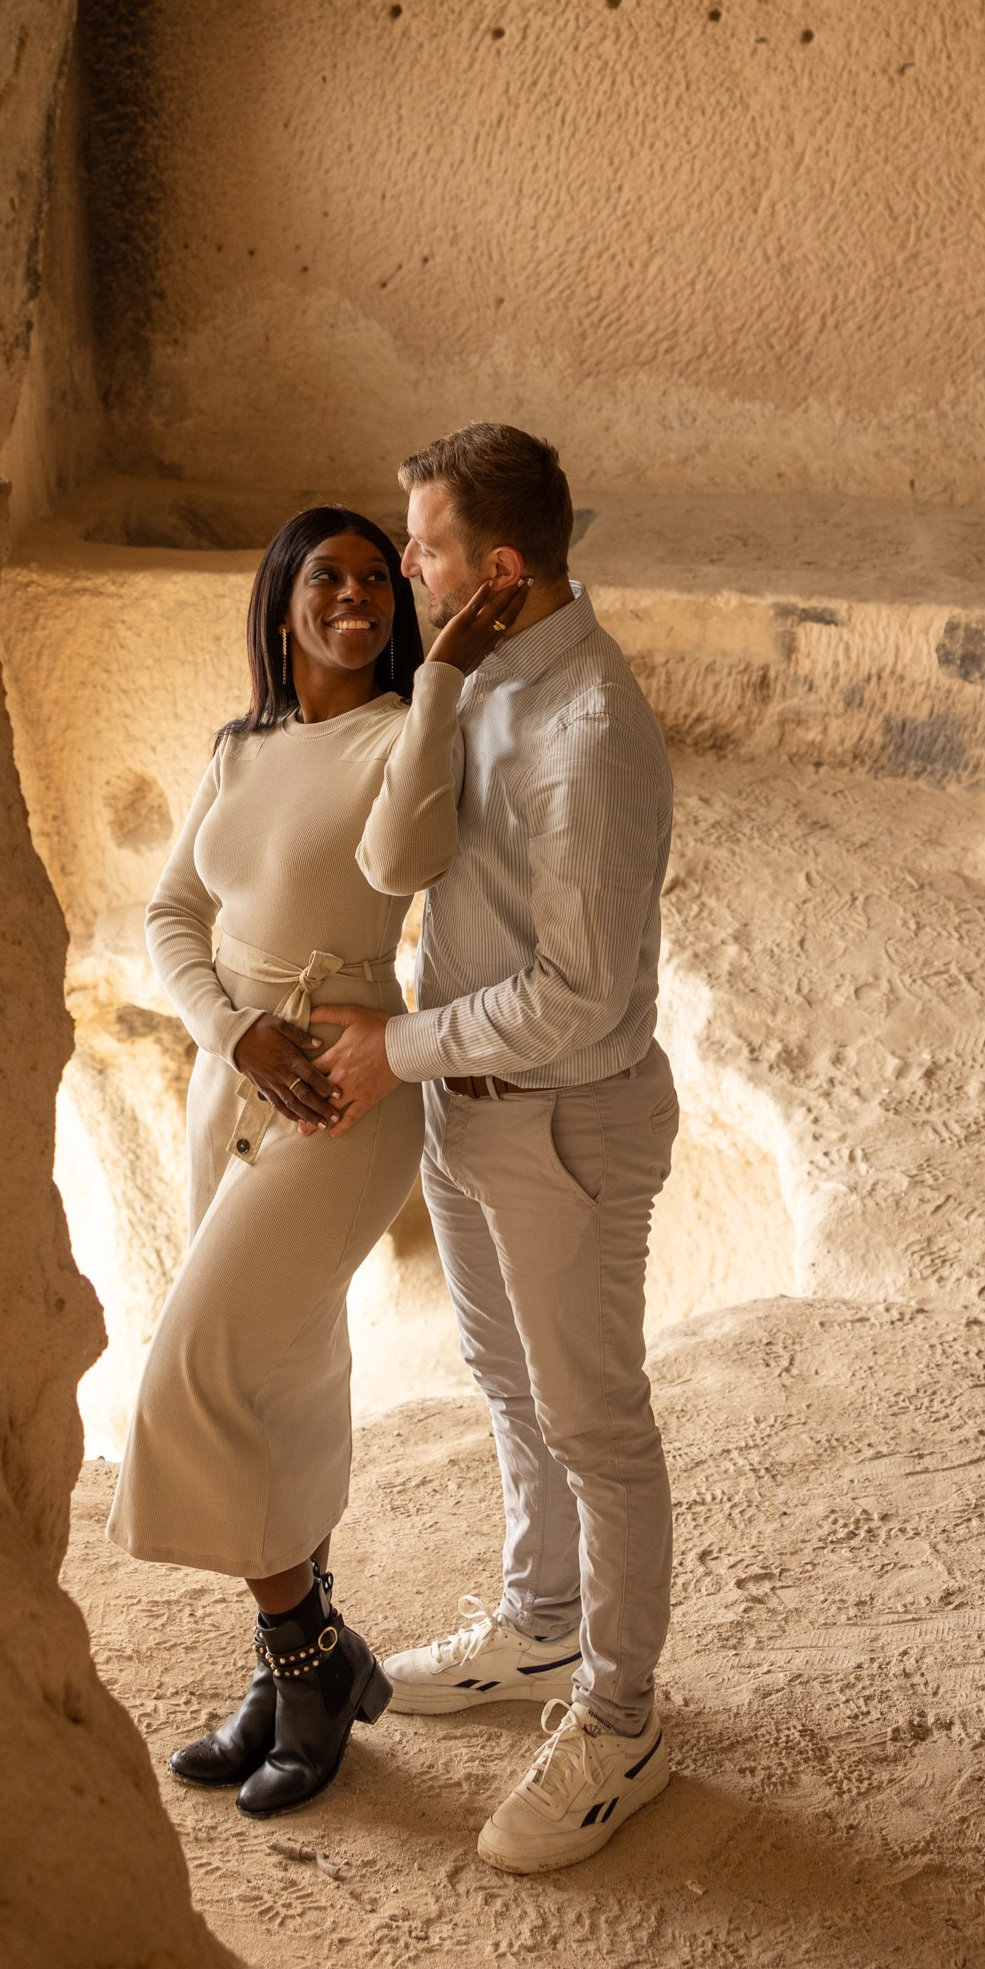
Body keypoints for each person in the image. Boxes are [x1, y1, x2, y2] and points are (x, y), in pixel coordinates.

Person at [310, 424, 679, 1874]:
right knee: (508, 1386)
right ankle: (540, 1629)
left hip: (564, 1123)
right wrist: (442, 678)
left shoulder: (586, 734)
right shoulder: (486, 683)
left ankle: (623, 1716)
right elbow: (395, 866)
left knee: (597, 1428)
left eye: (429, 546)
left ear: (502, 567)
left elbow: (581, 996)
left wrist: (393, 1049)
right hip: (476, 1113)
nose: (404, 565)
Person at [107, 503, 510, 1815]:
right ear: (282, 599)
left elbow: (403, 861)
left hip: (339, 1088)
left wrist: (442, 677)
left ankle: (308, 1661)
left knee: (195, 1370)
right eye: (324, 578)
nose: (356, 598)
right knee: (282, 1371)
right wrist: (231, 1032)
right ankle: (302, 1672)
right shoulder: (241, 748)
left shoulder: (405, 736)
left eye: (375, 581)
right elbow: (173, 913)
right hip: (237, 1074)